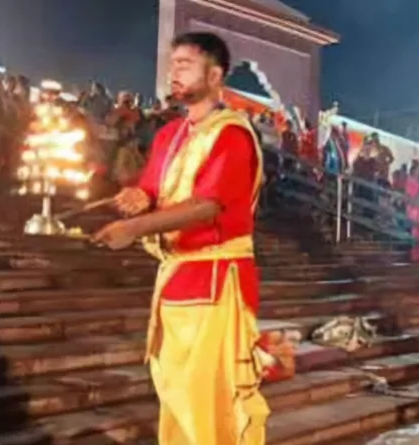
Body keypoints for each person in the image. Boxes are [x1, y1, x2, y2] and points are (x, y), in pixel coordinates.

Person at [91, 32, 268, 444]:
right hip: (173, 281)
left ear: (215, 75)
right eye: (173, 64)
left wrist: (132, 229)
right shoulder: (170, 135)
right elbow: (154, 192)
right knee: (173, 396)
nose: (173, 72)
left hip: (217, 280)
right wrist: (138, 198)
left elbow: (208, 205)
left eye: (185, 64)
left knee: (208, 402)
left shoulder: (233, 135)